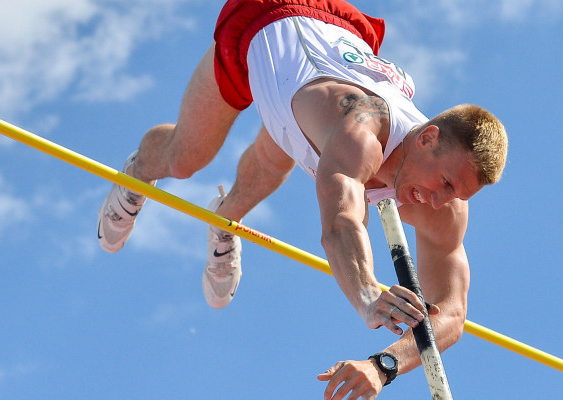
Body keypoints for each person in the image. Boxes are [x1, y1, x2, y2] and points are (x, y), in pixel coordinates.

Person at [96, 0, 507, 398]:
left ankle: (224, 218)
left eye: (457, 196)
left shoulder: (446, 206)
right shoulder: (363, 127)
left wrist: (382, 366)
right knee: (184, 159)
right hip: (268, 19)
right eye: (446, 184)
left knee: (276, 161)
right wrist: (367, 294)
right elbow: (340, 224)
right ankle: (137, 174)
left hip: (334, 50)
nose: (438, 202)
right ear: (427, 138)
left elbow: (451, 312)